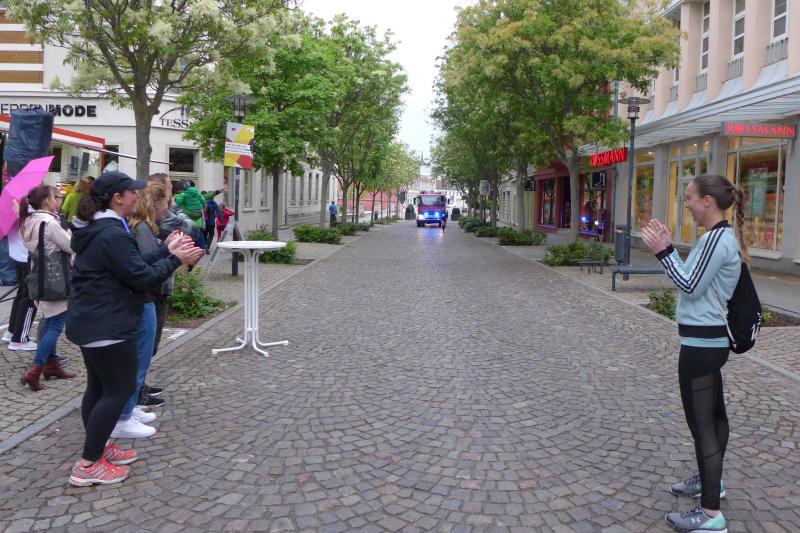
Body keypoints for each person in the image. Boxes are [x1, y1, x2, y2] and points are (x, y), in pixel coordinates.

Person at [65, 171, 203, 487]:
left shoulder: (102, 228)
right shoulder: (111, 233)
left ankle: (98, 448)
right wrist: (176, 259)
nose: (137, 197)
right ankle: (87, 464)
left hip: (93, 320)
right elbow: (142, 278)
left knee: (98, 389)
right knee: (118, 390)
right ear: (117, 198)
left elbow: (131, 264)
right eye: (132, 193)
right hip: (108, 323)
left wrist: (166, 250)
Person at [640, 175, 747, 533]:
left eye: (689, 197)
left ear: (707, 201)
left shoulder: (717, 240)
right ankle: (710, 481)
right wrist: (670, 250)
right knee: (714, 419)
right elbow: (693, 277)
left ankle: (711, 513)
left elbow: (689, 284)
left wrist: (664, 251)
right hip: (706, 342)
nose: (685, 204)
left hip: (703, 345)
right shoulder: (715, 237)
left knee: (703, 426)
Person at [109, 182, 172, 438]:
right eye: (166, 201)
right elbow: (144, 269)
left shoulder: (136, 227)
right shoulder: (139, 229)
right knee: (139, 358)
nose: (168, 206)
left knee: (138, 358)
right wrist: (173, 255)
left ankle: (129, 407)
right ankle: (124, 414)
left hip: (141, 298)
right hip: (143, 298)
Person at [18, 185, 76, 391]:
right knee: (55, 324)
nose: (58, 199)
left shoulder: (28, 221)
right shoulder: (49, 223)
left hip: (39, 275)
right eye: (55, 196)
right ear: (46, 200)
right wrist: (67, 231)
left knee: (48, 320)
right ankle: (35, 370)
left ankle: (52, 366)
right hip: (56, 278)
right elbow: (70, 246)